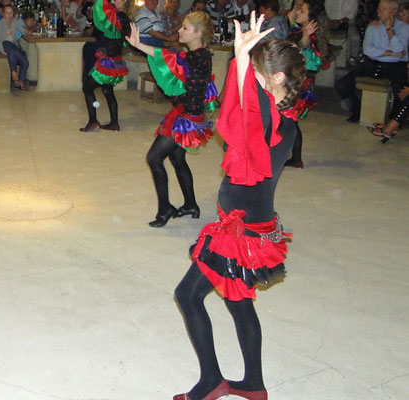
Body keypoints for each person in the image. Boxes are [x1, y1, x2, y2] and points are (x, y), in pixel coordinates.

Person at [171, 12, 304, 400]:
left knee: (188, 296)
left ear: (278, 79)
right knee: (238, 301)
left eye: (261, 74)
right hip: (256, 226)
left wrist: (241, 57)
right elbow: (248, 109)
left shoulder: (268, 121)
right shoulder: (286, 120)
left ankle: (211, 381)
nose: (252, 82)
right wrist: (243, 60)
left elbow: (245, 115)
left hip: (239, 232)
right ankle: (254, 384)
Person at [127, 11, 217, 227]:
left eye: (185, 27)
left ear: (198, 33)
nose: (179, 30)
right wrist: (140, 45)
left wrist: (175, 95)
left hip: (186, 117)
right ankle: (190, 204)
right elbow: (168, 57)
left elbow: (180, 73)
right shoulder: (198, 55)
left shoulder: (198, 58)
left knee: (154, 158)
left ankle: (165, 209)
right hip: (186, 114)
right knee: (177, 160)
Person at [335, 0, 408, 124]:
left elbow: (399, 49)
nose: (378, 12)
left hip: (395, 66)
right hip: (372, 63)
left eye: (383, 9)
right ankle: (358, 110)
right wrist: (390, 53)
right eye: (378, 9)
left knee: (400, 92)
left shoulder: (404, 28)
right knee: (342, 84)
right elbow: (368, 50)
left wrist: (389, 30)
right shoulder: (373, 26)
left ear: (393, 11)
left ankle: (394, 120)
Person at [282, 0, 325, 168]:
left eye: (303, 10)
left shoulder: (309, 34)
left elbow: (303, 47)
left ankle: (296, 158)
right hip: (294, 80)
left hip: (297, 83)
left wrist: (305, 35)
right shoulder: (298, 29)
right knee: (290, 120)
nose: (299, 11)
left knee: (291, 120)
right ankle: (294, 156)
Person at [80, 0, 129, 132]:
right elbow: (125, 39)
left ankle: (93, 121)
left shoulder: (116, 17)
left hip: (108, 62)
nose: (113, 1)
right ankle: (114, 123)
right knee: (108, 91)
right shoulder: (123, 17)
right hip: (116, 61)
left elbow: (100, 18)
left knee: (87, 88)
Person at [0, 4, 31, 91]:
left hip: (12, 46)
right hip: (2, 44)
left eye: (11, 13)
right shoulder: (0, 23)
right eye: (7, 13)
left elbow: (23, 30)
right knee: (8, 45)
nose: (9, 15)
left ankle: (20, 82)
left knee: (25, 62)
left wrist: (28, 33)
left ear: (13, 14)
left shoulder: (15, 22)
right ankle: (14, 72)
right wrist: (1, 50)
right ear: (3, 14)